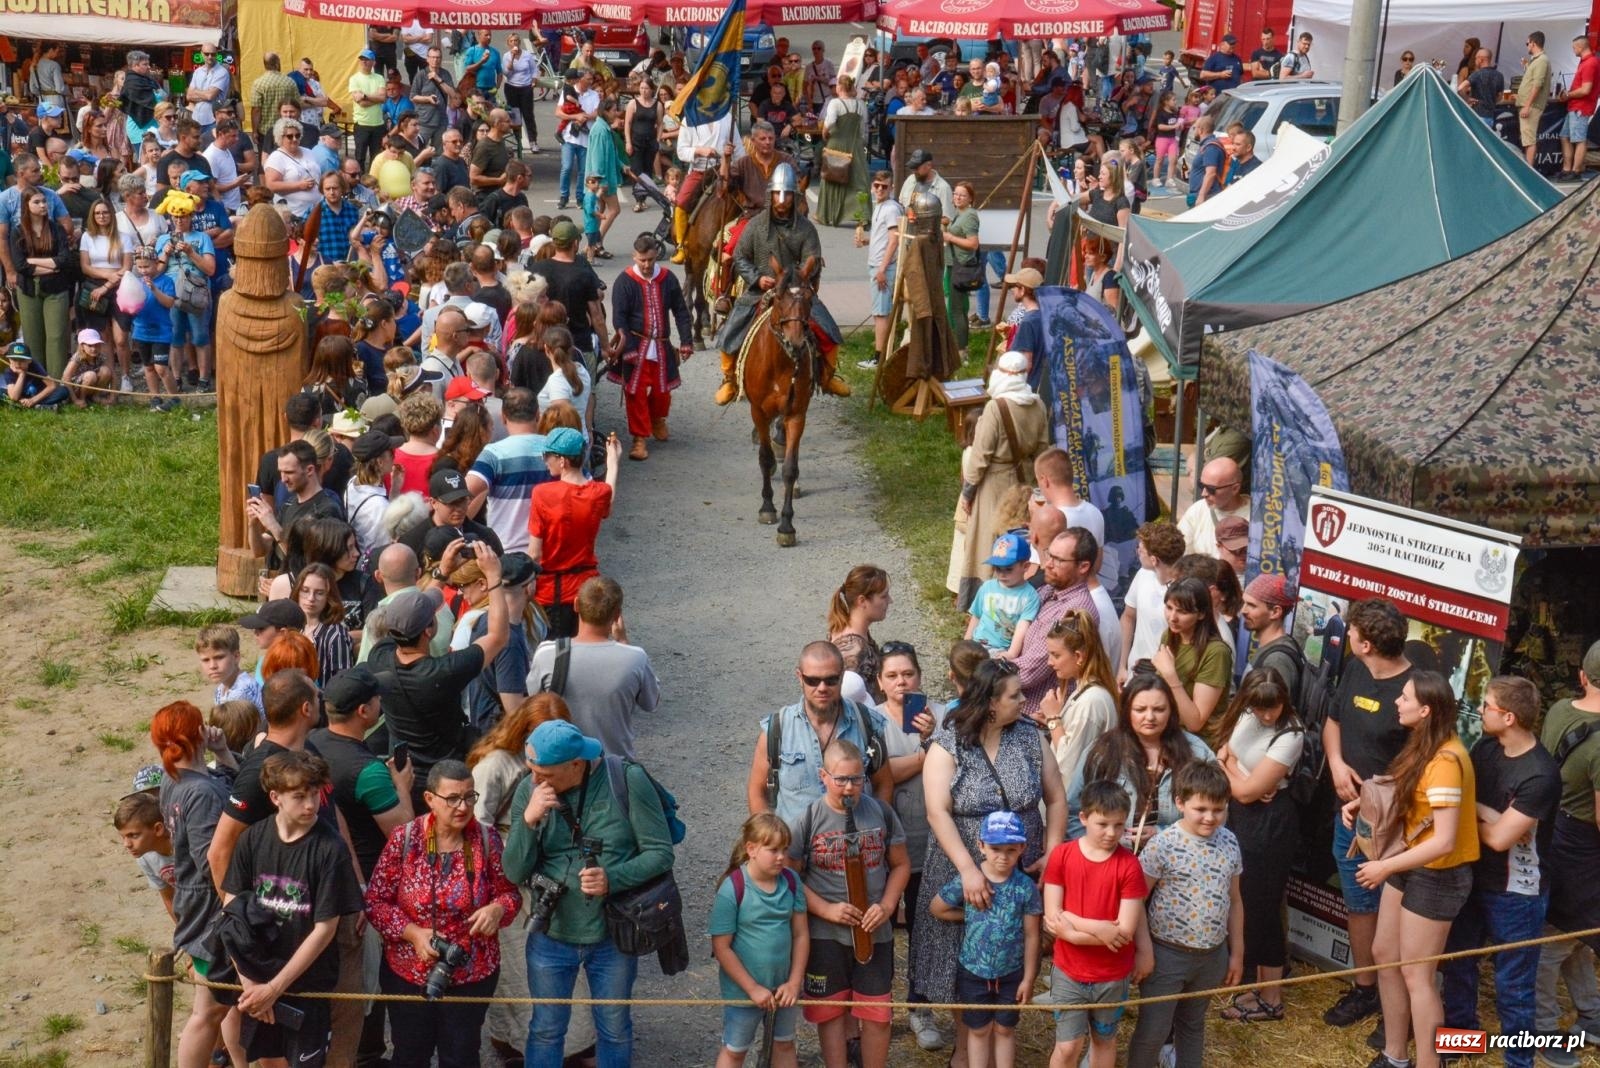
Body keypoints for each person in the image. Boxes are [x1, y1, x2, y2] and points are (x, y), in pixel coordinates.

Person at [912, 660, 1066, 1058]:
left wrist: (1052, 852)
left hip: (1017, 861)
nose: (1023, 701)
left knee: (1005, 950)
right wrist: (967, 870)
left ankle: (980, 1048)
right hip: (960, 860)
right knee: (961, 958)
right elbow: (937, 811)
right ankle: (964, 1053)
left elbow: (1056, 796)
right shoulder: (949, 741)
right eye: (1016, 694)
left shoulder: (1030, 737)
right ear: (991, 702)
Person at [502, 719, 676, 1068]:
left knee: (614, 1028)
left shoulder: (626, 780)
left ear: (576, 764)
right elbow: (514, 872)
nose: (536, 780)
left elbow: (661, 853)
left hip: (612, 931)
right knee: (546, 1029)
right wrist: (528, 820)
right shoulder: (530, 790)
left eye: (546, 774)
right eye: (532, 770)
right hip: (552, 931)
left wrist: (613, 878)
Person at [1343, 671, 1478, 1068]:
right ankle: (1395, 1054)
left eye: (1404, 698)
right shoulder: (1424, 745)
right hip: (1410, 860)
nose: (1396, 703)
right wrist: (1362, 801)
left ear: (1426, 710)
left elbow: (1444, 841)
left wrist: (1384, 866)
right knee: (1385, 954)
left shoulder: (1447, 761)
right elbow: (1397, 787)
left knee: (1418, 975)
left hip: (1437, 873)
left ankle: (1428, 1063)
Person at [364, 758, 521, 1068]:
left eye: (469, 796)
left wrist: (498, 908)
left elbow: (510, 892)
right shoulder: (405, 839)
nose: (462, 807)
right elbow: (375, 902)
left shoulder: (488, 840)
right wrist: (413, 933)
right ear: (430, 799)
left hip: (472, 971)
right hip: (408, 973)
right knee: (410, 1055)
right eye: (452, 798)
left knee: (461, 1056)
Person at [1437, 676, 1558, 1068]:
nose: (1480, 710)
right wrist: (1484, 813)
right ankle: (1461, 1043)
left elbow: (1500, 839)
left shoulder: (1540, 774)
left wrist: (1474, 812)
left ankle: (1518, 1063)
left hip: (1517, 892)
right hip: (1472, 876)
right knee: (1458, 962)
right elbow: (1468, 802)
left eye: (1486, 705)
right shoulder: (1486, 747)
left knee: (1514, 986)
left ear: (1508, 717)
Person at [220, 750, 365, 1068]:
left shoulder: (330, 848)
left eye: (315, 794)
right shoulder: (253, 840)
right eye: (299, 796)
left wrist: (274, 988)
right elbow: (232, 912)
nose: (311, 805)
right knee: (269, 1062)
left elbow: (325, 929)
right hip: (258, 976)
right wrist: (253, 986)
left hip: (307, 985)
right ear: (276, 797)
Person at [307, 665, 415, 1067]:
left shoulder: (314, 742)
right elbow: (402, 833)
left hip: (322, 880)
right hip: (366, 884)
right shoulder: (368, 771)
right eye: (376, 699)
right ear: (365, 712)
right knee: (367, 980)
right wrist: (401, 786)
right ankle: (367, 1053)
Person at [1323, 598, 1414, 1033]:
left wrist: (1376, 796)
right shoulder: (1357, 669)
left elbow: (1421, 763)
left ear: (1366, 643)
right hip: (1349, 816)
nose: (1348, 636)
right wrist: (1337, 764)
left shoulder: (1417, 689)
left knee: (1396, 914)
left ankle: (1396, 1003)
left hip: (1395, 824)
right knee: (1358, 904)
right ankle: (1366, 988)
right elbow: (1332, 720)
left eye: (1353, 631)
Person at [790, 738, 910, 1068]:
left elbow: (900, 865)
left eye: (856, 779)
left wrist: (886, 906)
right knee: (830, 1013)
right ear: (823, 776)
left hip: (875, 934)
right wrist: (825, 909)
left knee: (876, 1013)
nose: (849, 787)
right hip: (826, 935)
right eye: (840, 779)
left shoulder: (881, 813)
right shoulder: (809, 819)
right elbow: (790, 877)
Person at [366, 545, 508, 803]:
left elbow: (424, 601)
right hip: (447, 781)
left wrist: (442, 573)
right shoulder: (443, 672)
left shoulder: (380, 656)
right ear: (430, 631)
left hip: (405, 778)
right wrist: (494, 578)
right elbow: (498, 636)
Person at [1123, 762, 1243, 1068]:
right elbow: (1136, 899)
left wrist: (1237, 952)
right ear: (1180, 803)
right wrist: (1144, 951)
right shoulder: (1163, 845)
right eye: (1200, 808)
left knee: (1193, 1025)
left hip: (1211, 955)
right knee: (1154, 1030)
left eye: (1218, 809)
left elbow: (1235, 899)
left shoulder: (1229, 841)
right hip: (1166, 955)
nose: (1210, 817)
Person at [151, 701, 246, 1068]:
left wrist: (222, 752)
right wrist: (235, 910)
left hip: (195, 902)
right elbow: (213, 859)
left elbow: (232, 783)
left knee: (217, 1009)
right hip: (211, 909)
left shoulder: (173, 780)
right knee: (208, 1013)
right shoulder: (200, 793)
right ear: (195, 736)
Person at [713, 163, 850, 405]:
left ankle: (828, 376)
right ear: (771, 195)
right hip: (760, 290)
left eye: (787, 194)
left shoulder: (805, 229)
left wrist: (800, 275)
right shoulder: (756, 225)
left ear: (795, 196)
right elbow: (740, 257)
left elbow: (814, 260)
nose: (783, 199)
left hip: (796, 292)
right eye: (778, 193)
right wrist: (757, 278)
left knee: (829, 329)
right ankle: (729, 380)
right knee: (730, 330)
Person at [1213, 668, 1302, 1021]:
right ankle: (1256, 987)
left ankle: (1272, 996)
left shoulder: (1291, 733)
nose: (1266, 715)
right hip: (1240, 818)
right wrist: (1232, 766)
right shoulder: (1246, 712)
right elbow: (1222, 751)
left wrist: (1231, 767)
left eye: (1273, 708)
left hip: (1270, 826)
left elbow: (1249, 791)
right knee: (1245, 904)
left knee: (1263, 909)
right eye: (1260, 708)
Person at [1041, 779, 1149, 1068]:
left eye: (1119, 825)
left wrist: (1074, 927)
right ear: (1084, 818)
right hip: (1069, 970)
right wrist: (1100, 929)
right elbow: (1053, 916)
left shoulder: (1129, 865)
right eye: (1103, 824)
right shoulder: (1062, 856)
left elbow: (1124, 932)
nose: (1111, 833)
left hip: (1112, 974)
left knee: (1104, 1040)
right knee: (1068, 1046)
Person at [929, 810, 1043, 1068]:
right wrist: (969, 916)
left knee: (1005, 1029)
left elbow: (1032, 934)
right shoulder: (970, 880)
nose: (1002, 857)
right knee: (978, 1030)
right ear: (981, 846)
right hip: (974, 971)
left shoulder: (1025, 887)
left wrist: (1028, 977)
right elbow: (937, 907)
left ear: (1022, 848)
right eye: (995, 848)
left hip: (1012, 973)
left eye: (1011, 850)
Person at [949, 352, 1048, 611]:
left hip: (994, 483)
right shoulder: (1037, 404)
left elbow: (980, 455)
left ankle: (986, 600)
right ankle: (1017, 593)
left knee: (988, 539)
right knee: (1018, 537)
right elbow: (1042, 449)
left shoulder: (996, 407)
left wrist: (968, 493)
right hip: (1023, 480)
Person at [710, 813, 809, 1068]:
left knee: (784, 1044)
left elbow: (800, 934)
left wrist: (794, 982)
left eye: (784, 849)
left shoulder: (791, 881)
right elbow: (721, 948)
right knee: (735, 1050)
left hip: (783, 989)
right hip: (743, 991)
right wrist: (752, 988)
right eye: (773, 849)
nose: (781, 857)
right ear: (751, 849)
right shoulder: (732, 889)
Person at [527, 426, 622, 638]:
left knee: (555, 653)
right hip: (587, 588)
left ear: (562, 460)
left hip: (552, 591)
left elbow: (534, 553)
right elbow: (609, 498)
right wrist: (613, 462)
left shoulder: (542, 494)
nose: (545, 461)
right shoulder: (598, 493)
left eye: (547, 455)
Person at [607, 233, 693, 461]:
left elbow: (681, 311)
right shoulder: (624, 282)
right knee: (635, 393)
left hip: (662, 347)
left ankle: (657, 419)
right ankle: (639, 438)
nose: (646, 265)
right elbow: (619, 318)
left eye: (651, 260)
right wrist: (628, 348)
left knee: (662, 391)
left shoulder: (668, 278)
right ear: (635, 257)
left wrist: (686, 341)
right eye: (642, 260)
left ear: (656, 257)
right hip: (636, 345)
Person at [1037, 610, 1121, 788]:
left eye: (1056, 655)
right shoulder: (1084, 692)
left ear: (1078, 656)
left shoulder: (1092, 701)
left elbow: (1068, 766)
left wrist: (1054, 720)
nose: (1049, 662)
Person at [1152, 577, 1234, 745]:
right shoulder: (1170, 635)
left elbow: (1195, 722)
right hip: (1168, 735)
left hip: (1198, 746)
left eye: (1182, 612)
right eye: (1169, 608)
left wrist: (1170, 676)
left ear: (1202, 614)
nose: (1172, 617)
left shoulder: (1216, 652)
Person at [9, 186, 74, 378]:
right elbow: (20, 265)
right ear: (26, 205)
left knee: (56, 337)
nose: (42, 205)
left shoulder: (56, 229)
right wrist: (52, 266)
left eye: (44, 201)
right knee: (33, 339)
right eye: (36, 202)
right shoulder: (18, 232)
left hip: (56, 289)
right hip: (28, 290)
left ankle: (57, 386)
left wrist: (35, 261)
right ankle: (37, 384)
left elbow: (64, 260)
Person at [966, 533, 1041, 660]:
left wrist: (1012, 653)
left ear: (1025, 566)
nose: (1001, 574)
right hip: (977, 642)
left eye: (1008, 569)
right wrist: (966, 641)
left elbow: (1022, 627)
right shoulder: (987, 587)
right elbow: (976, 616)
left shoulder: (1030, 595)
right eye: (997, 568)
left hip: (1001, 650)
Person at [827, 565, 892, 705]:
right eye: (884, 596)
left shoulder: (849, 629)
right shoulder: (853, 649)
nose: (890, 601)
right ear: (862, 601)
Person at [115, 788, 176, 921]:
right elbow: (168, 897)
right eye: (123, 837)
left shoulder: (187, 846)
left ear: (158, 829)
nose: (126, 844)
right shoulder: (145, 857)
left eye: (133, 835)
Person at [863, 171, 903, 370]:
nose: (879, 189)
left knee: (881, 313)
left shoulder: (891, 209)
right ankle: (882, 353)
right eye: (877, 185)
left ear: (891, 188)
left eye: (884, 186)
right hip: (877, 264)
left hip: (883, 267)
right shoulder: (880, 206)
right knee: (880, 311)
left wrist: (882, 268)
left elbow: (894, 240)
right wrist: (867, 240)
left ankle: (880, 357)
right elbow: (884, 237)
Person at [816, 75, 868, 228]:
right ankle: (862, 216)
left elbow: (830, 121)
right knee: (859, 180)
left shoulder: (835, 103)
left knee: (832, 177)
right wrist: (861, 143)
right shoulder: (861, 105)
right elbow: (863, 128)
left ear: (839, 87)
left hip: (837, 143)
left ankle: (826, 215)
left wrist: (825, 133)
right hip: (855, 144)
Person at [292, 563, 353, 687]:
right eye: (305, 590)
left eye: (319, 593)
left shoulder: (336, 635)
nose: (311, 598)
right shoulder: (293, 628)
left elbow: (343, 685)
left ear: (329, 597)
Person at [1176, 457, 1250, 558]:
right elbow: (1177, 553)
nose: (1204, 493)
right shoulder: (1198, 509)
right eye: (1201, 485)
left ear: (1235, 489)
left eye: (1211, 489)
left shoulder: (1257, 517)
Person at [197, 622, 265, 717]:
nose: (212, 666)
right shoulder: (222, 687)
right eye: (206, 660)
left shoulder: (241, 692)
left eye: (219, 657)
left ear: (236, 657)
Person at [1556, 35, 1598, 181]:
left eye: (1574, 47)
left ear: (1580, 47)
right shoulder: (1585, 62)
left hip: (1581, 107)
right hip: (1575, 105)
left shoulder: (1590, 63)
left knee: (1579, 139)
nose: (1573, 50)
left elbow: (1586, 89)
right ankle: (1567, 168)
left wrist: (1568, 94)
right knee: (1565, 136)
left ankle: (1576, 170)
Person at [1457, 47, 1505, 128]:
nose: (1475, 61)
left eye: (1476, 58)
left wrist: (1467, 99)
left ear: (1481, 59)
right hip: (1490, 117)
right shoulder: (1499, 75)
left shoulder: (1477, 74)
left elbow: (1460, 88)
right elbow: (1500, 96)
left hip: (1477, 115)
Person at [1185, 115, 1224, 208]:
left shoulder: (1211, 147)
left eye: (1194, 128)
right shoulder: (1205, 145)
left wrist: (1201, 196)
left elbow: (1211, 173)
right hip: (1199, 195)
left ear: (1201, 130)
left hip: (1207, 196)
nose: (1193, 130)